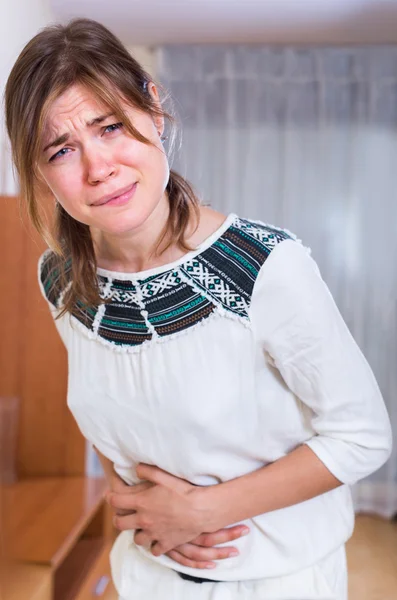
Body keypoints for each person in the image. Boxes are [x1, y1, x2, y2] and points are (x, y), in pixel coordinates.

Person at [4, 17, 392, 600]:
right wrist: (141, 509)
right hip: (146, 575)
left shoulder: (265, 265)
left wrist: (202, 511)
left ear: (153, 112)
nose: (97, 167)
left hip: (279, 584)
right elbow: (118, 424)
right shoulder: (59, 280)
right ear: (40, 171)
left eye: (109, 126)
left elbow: (362, 436)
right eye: (62, 149)